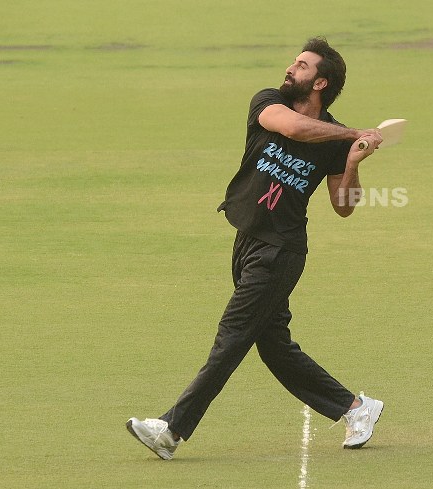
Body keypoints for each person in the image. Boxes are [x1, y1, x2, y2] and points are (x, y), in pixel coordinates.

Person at [126, 37, 385, 460]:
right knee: (274, 347)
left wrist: (353, 161)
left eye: (301, 65)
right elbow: (295, 128)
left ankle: (171, 430)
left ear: (320, 82)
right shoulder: (268, 103)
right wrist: (355, 132)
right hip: (246, 241)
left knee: (232, 337)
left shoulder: (338, 143)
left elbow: (344, 207)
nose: (290, 68)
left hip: (280, 251)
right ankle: (357, 409)